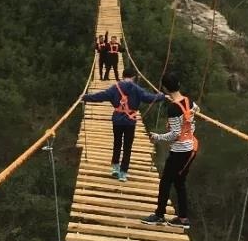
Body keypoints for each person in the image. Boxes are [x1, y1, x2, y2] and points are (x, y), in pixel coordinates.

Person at [83, 71, 164, 180]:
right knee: (127, 147)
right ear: (133, 77)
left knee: (117, 143)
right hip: (130, 122)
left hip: (117, 121)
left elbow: (101, 96)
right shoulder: (137, 89)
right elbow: (149, 98)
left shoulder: (115, 87)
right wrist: (161, 96)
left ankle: (115, 167)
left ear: (122, 77)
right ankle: (123, 173)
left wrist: (85, 97)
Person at [142, 72, 197, 227]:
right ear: (178, 85)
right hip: (191, 148)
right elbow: (195, 110)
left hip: (179, 150)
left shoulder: (173, 108)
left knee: (165, 182)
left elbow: (174, 135)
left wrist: (157, 137)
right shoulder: (189, 101)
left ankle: (159, 215)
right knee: (180, 182)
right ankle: (183, 218)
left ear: (165, 89)